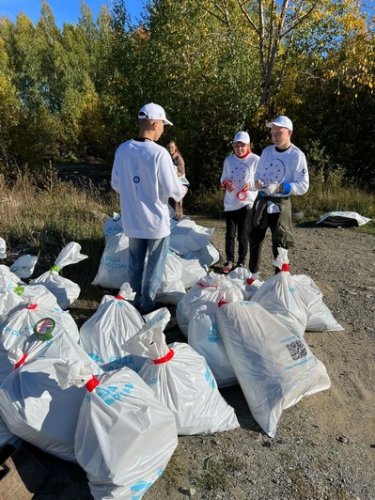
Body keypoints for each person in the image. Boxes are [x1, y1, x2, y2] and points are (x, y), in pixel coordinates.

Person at [111, 102, 187, 314]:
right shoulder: (159, 153)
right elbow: (174, 189)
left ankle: (132, 301)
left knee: (134, 264)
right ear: (154, 124)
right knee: (154, 265)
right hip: (156, 223)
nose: (164, 129)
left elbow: (115, 184)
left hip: (132, 220)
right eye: (163, 124)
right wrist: (184, 189)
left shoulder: (123, 149)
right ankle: (146, 306)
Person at [249, 115, 309, 274]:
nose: (274, 137)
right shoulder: (267, 151)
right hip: (262, 199)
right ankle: (252, 276)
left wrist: (280, 187)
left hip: (281, 203)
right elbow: (258, 174)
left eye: (278, 133)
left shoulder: (296, 155)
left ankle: (279, 280)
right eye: (272, 133)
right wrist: (258, 182)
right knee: (255, 237)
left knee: (280, 242)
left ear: (289, 132)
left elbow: (303, 185)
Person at [220, 131, 259, 273]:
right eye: (236, 145)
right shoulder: (228, 160)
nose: (239, 148)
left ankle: (242, 261)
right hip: (230, 202)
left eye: (242, 145)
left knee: (243, 234)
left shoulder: (255, 160)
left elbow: (261, 181)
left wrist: (252, 185)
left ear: (249, 145)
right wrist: (226, 184)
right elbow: (223, 179)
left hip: (247, 201)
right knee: (230, 234)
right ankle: (229, 260)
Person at [167, 140, 186, 219]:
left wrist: (172, 174)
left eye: (172, 147)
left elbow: (181, 172)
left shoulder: (179, 158)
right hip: (169, 184)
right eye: (168, 147)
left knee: (177, 202)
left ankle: (179, 218)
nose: (170, 149)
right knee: (169, 202)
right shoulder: (166, 157)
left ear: (175, 148)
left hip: (178, 184)